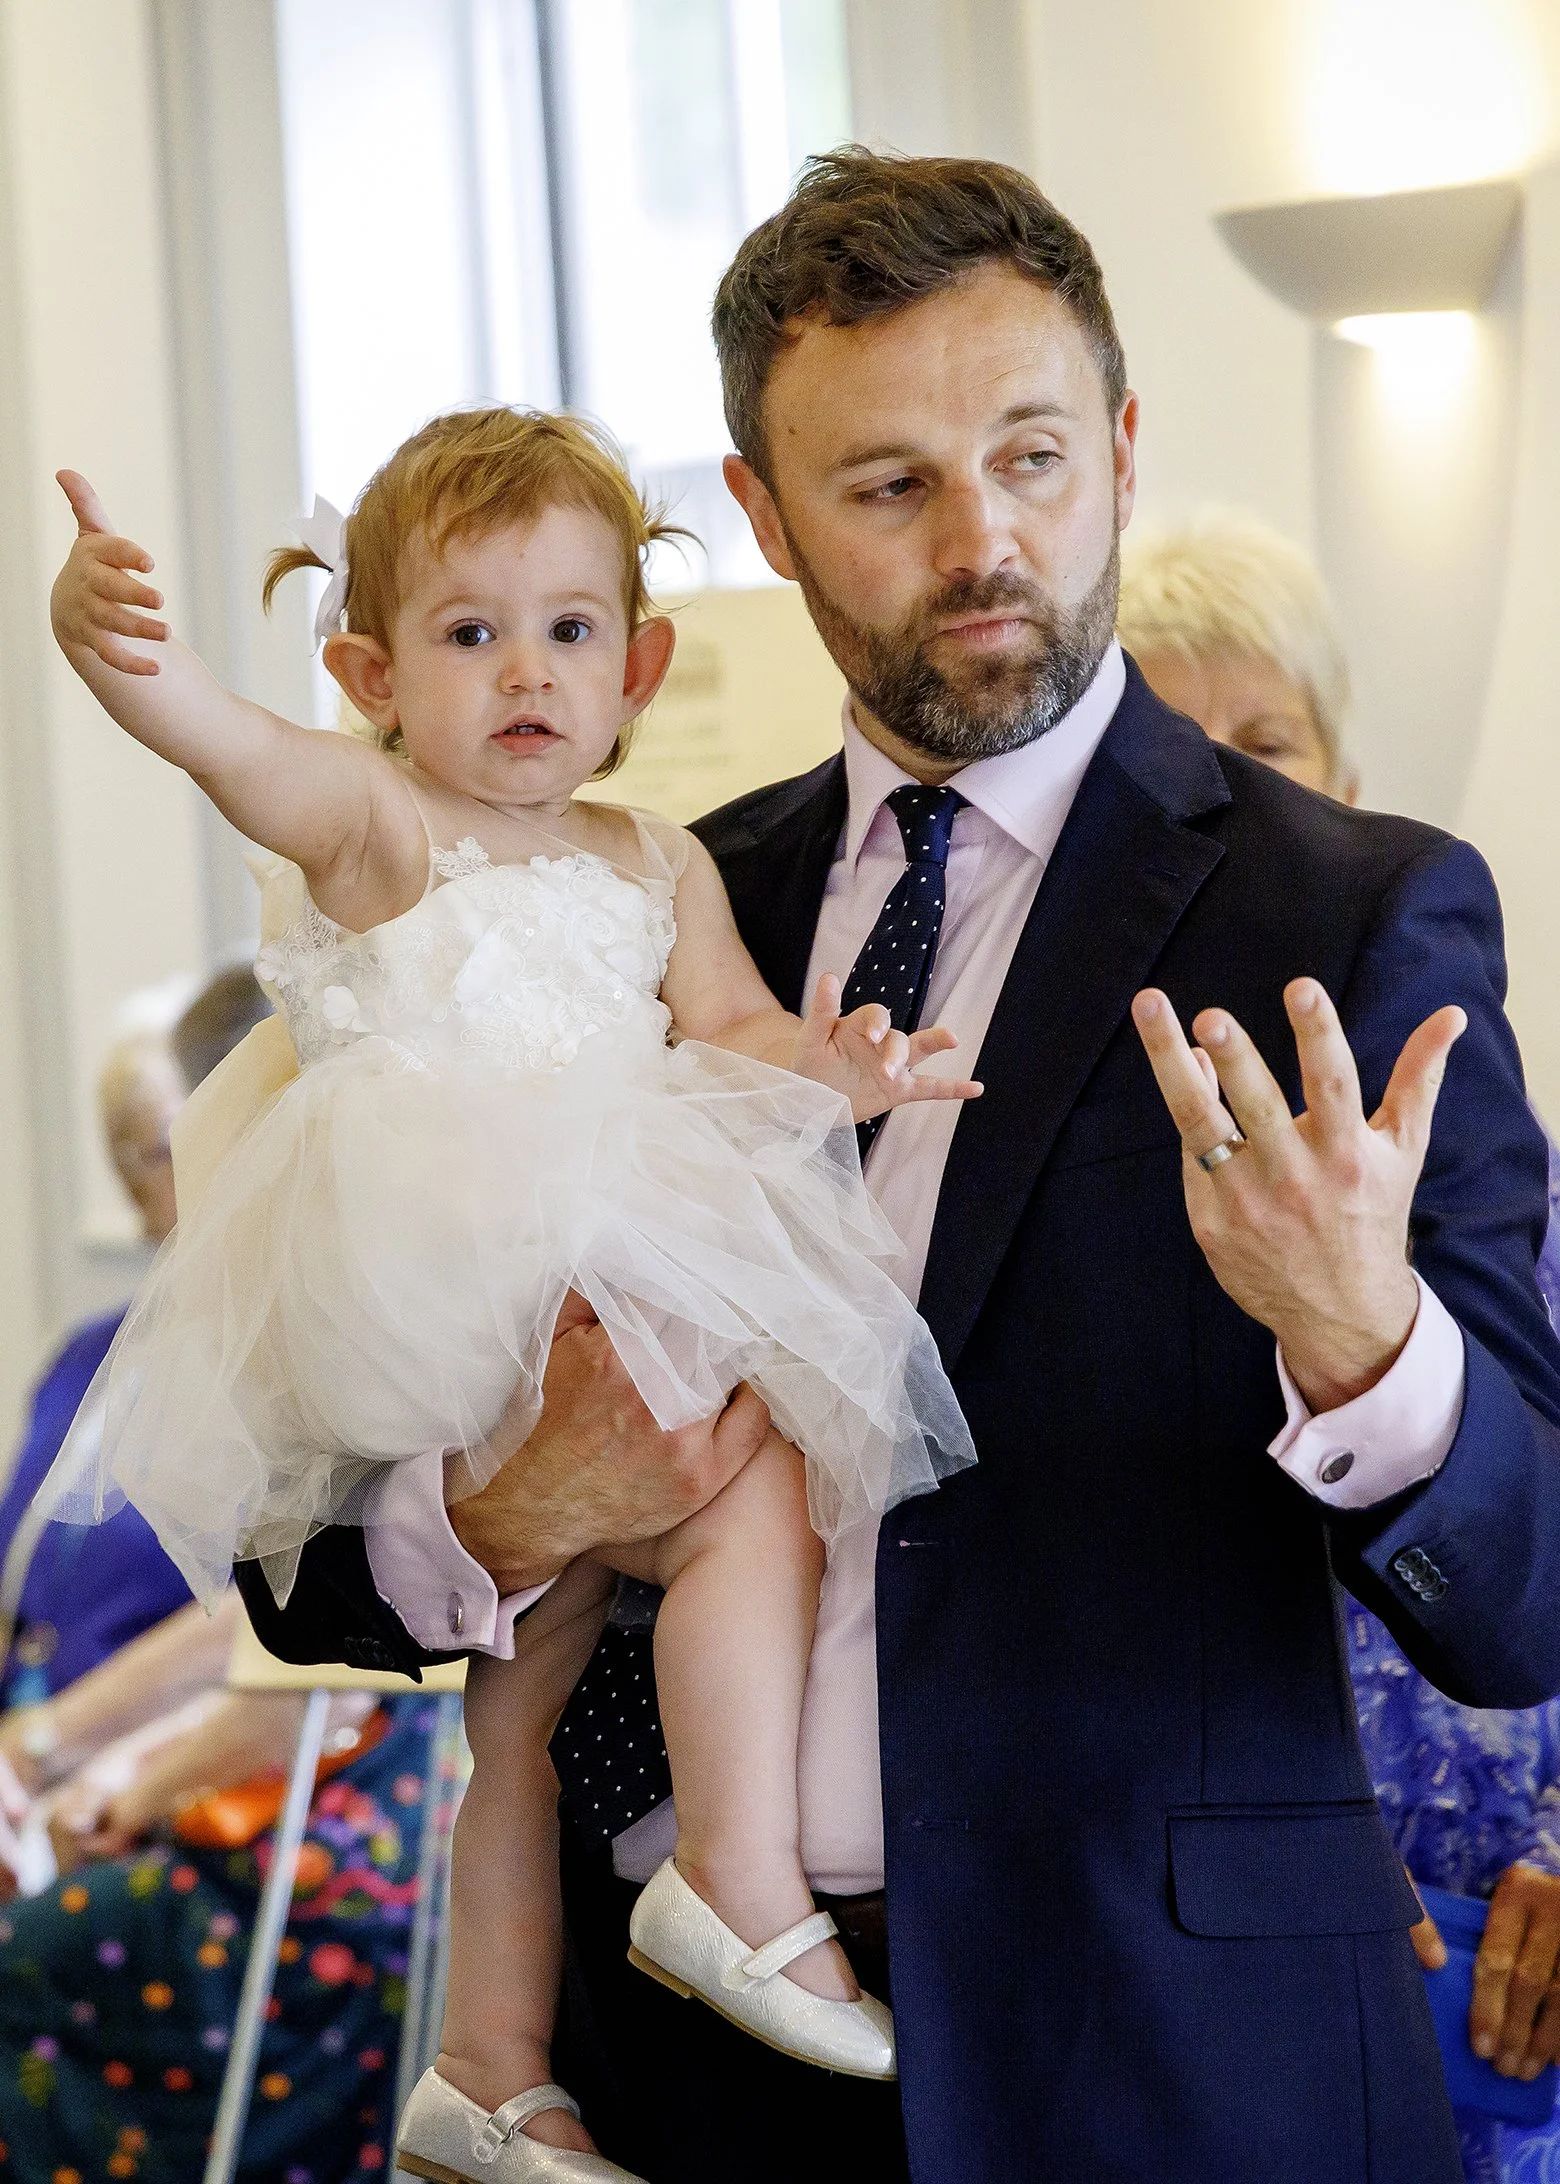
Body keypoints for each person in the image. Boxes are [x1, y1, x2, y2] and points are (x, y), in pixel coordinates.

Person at [228, 152, 1560, 2184]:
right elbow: (295, 1554)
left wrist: (1368, 1344)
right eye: (887, 486)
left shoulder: (1351, 911)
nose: (983, 538)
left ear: (1122, 448)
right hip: (685, 2083)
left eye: (1032, 456)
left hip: (1176, 2073)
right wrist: (507, 1509)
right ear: (762, 520)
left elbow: (1526, 1600)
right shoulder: (612, 903)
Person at [47, 406, 985, 2180]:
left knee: (525, 1712)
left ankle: (485, 2069)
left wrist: (842, 1068)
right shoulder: (380, 823)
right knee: (752, 1501)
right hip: (454, 1288)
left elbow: (730, 1034)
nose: (525, 673)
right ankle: (738, 1874)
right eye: (468, 633)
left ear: (638, 667)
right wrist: (120, 651)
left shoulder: (657, 855)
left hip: (584, 1268)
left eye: (568, 629)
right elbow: (226, 747)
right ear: (371, 676)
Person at [1120, 510, 1560, 2184]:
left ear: (1349, 787)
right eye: (1183, 760)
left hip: (1512, 1998)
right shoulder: (1069, 1217)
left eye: (1273, 743)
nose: (1238, 802)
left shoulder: (1519, 1195)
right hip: (1192, 1982)